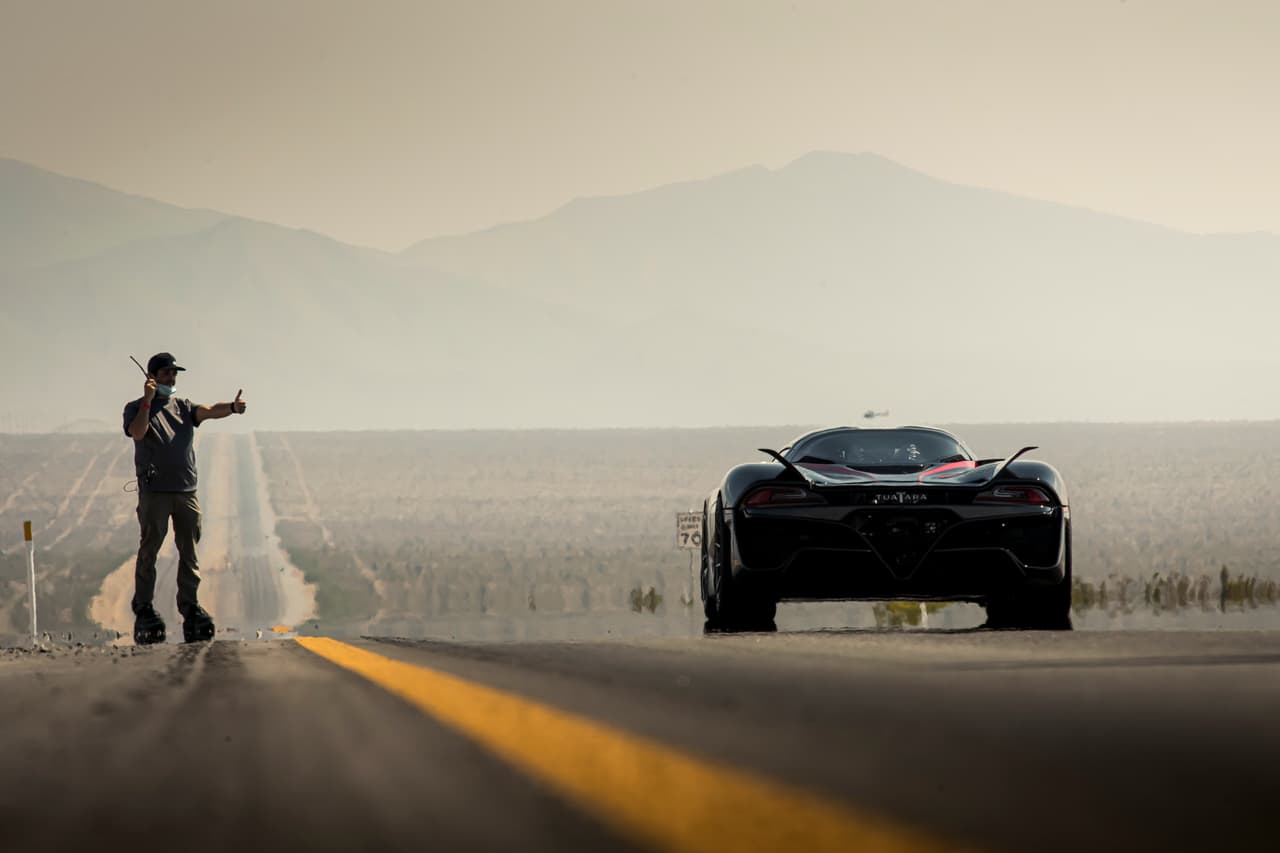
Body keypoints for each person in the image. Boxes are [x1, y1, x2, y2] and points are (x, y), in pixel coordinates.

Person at [122, 352, 247, 644]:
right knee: (150, 550)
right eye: (166, 373)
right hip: (155, 493)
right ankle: (144, 607)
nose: (172, 377)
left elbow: (208, 411)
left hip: (186, 491)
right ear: (152, 377)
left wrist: (232, 408)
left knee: (189, 551)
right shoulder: (135, 408)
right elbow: (138, 433)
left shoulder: (183, 407)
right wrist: (147, 400)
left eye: (174, 373)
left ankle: (190, 607)